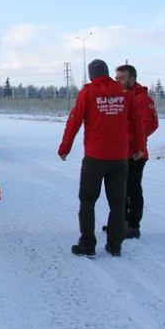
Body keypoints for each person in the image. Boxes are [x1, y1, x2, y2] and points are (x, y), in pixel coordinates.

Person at [58, 59, 145, 257]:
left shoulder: (88, 93)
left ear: (91, 75)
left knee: (88, 200)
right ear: (107, 73)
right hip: (120, 157)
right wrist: (138, 148)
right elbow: (138, 121)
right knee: (117, 202)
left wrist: (65, 148)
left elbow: (74, 121)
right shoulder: (125, 94)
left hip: (95, 157)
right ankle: (115, 244)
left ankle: (87, 244)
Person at [115, 64, 159, 239]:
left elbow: (151, 124)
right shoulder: (122, 97)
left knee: (133, 189)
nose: (118, 81)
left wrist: (133, 140)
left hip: (135, 153)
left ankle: (133, 225)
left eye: (122, 78)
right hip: (121, 152)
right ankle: (121, 221)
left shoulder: (142, 99)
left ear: (132, 79)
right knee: (121, 189)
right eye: (117, 78)